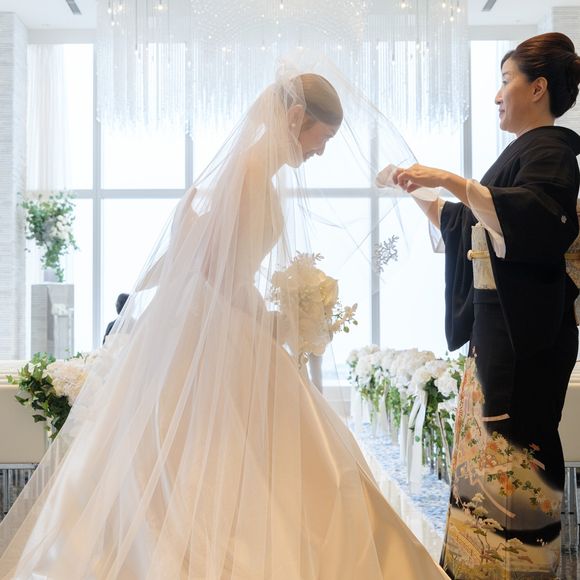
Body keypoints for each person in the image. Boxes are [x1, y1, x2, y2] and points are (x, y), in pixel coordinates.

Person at [0, 70, 446, 579]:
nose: (320, 151)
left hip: (221, 324)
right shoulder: (251, 176)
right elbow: (216, 273)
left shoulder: (249, 173)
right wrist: (274, 320)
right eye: (321, 138)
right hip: (224, 330)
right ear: (295, 118)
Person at [389, 32, 580, 578]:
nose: (497, 95)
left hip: (524, 342)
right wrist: (418, 190)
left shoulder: (553, 153)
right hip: (499, 338)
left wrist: (451, 179)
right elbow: (466, 224)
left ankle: (513, 568)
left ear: (538, 88)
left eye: (505, 81)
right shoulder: (525, 153)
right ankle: (480, 565)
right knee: (485, 458)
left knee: (514, 455)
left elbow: (531, 222)